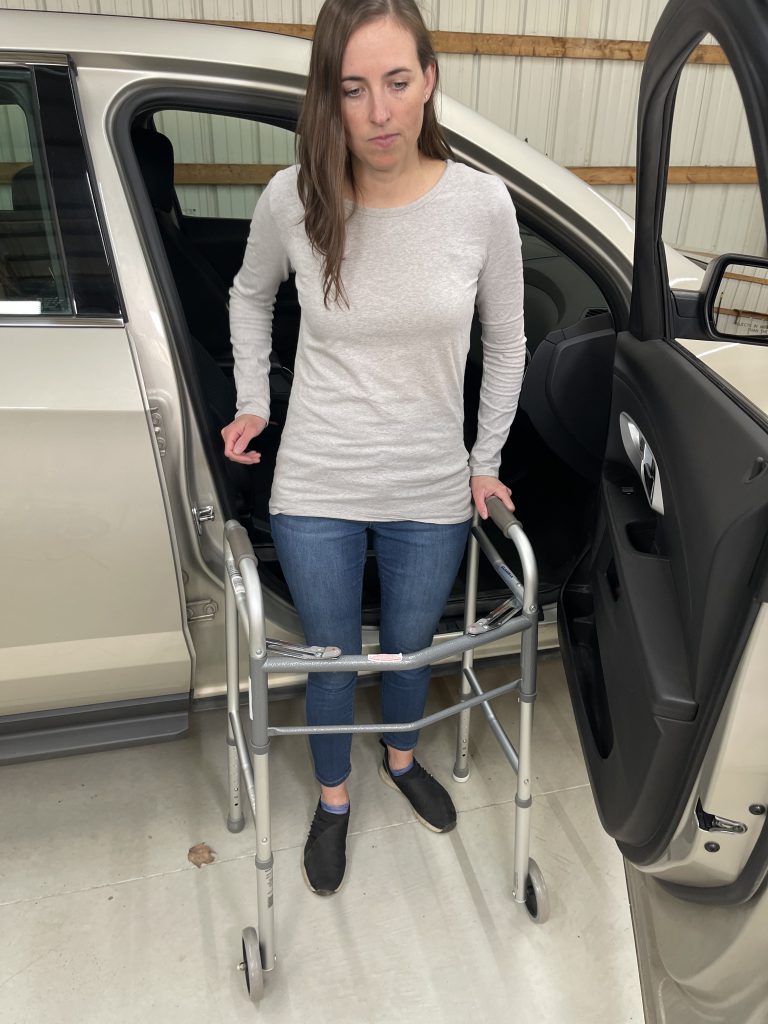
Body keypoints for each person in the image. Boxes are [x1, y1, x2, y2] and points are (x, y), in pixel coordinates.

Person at [222, 0, 526, 896]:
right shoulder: (294, 198)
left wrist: (486, 458)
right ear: (330, 96)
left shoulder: (481, 204)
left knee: (405, 648)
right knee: (328, 655)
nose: (381, 112)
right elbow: (248, 296)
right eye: (354, 90)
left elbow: (507, 341)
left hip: (429, 485)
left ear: (430, 80)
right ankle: (334, 798)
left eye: (398, 82)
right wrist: (252, 402)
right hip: (317, 478)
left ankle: (399, 760)